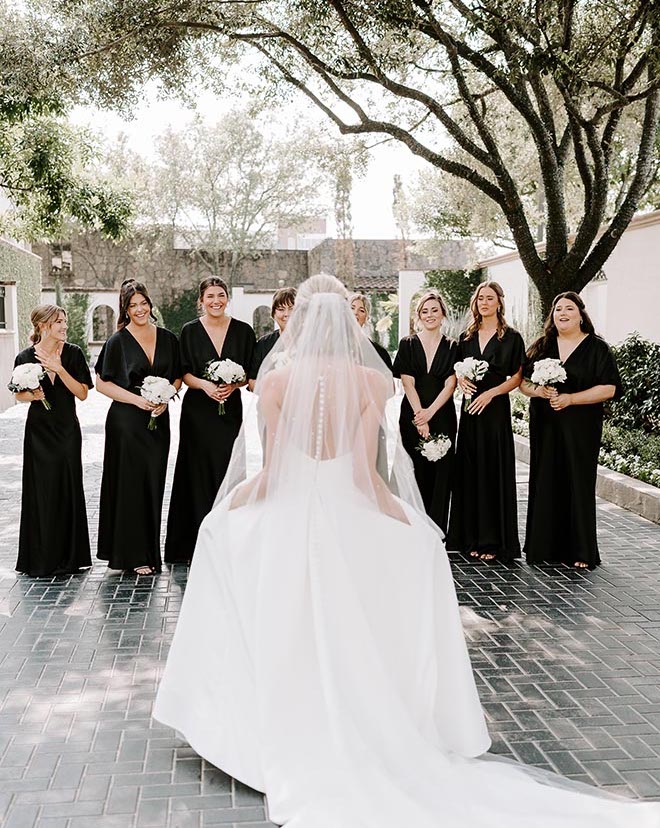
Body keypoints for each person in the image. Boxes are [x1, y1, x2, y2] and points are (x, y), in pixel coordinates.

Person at [153, 274, 658, 828]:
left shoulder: (274, 383)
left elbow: (271, 475)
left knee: (281, 603)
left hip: (293, 513)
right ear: (348, 326)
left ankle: (280, 715)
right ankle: (358, 711)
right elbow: (370, 478)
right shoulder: (371, 383)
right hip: (346, 509)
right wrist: (411, 522)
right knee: (351, 616)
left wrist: (223, 512)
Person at [521, 292, 622, 569]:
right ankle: (543, 547)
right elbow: (521, 383)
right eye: (557, 309)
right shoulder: (542, 346)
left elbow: (609, 388)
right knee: (546, 478)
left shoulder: (597, 348)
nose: (562, 313)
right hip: (545, 425)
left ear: (580, 313)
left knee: (578, 481)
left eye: (569, 308)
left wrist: (571, 399)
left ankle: (580, 550)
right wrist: (539, 391)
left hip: (581, 427)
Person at [165, 277, 255, 564]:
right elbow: (184, 373)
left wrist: (234, 384)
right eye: (210, 296)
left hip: (229, 412)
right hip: (197, 413)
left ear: (227, 298)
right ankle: (193, 543)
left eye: (221, 295)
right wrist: (204, 385)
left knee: (228, 469)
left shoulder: (243, 331)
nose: (216, 301)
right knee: (196, 472)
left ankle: (227, 541)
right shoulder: (190, 331)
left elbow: (248, 373)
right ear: (201, 301)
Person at [95, 280, 181, 575]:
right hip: (127, 423)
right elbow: (101, 384)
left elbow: (178, 377)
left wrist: (166, 398)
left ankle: (148, 550)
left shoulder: (168, 338)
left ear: (150, 304)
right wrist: (137, 401)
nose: (140, 309)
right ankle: (131, 555)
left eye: (143, 303)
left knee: (153, 484)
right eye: (133, 305)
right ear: (126, 309)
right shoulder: (117, 341)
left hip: (159, 422)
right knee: (130, 486)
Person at [446, 281, 525, 563]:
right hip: (470, 412)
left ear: (499, 303)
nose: (484, 302)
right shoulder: (466, 337)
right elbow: (455, 371)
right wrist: (462, 382)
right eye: (480, 298)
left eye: (489, 298)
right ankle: (469, 538)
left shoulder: (511, 337)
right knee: (469, 471)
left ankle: (492, 541)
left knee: (492, 471)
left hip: (494, 410)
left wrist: (491, 393)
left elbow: (517, 377)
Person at [13, 305, 92, 577]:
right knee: (42, 491)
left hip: (68, 430)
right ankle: (42, 557)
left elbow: (82, 393)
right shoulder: (24, 357)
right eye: (58, 322)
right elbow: (18, 395)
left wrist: (60, 368)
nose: (64, 326)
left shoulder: (73, 354)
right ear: (43, 325)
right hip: (39, 433)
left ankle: (71, 557)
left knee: (68, 487)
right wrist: (32, 396)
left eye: (65, 321)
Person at [393, 291, 457, 533]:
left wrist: (431, 413)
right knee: (415, 469)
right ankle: (416, 528)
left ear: (442, 314)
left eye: (434, 310)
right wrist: (420, 416)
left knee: (442, 472)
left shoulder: (453, 345)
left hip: (442, 414)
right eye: (424, 311)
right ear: (418, 316)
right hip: (412, 413)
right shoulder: (407, 344)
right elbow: (407, 383)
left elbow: (451, 384)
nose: (430, 315)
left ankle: (438, 529)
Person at [248, 286, 296, 391]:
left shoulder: (311, 344)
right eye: (281, 309)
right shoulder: (263, 344)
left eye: (292, 308)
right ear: (273, 314)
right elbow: (252, 380)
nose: (286, 314)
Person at [350, 292, 393, 370]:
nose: (355, 313)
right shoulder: (332, 347)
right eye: (352, 308)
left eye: (361, 310)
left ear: (367, 318)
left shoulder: (379, 353)